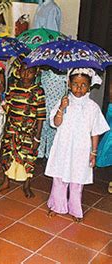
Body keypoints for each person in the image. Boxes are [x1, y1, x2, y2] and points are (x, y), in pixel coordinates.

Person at [45, 68, 109, 222]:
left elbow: (95, 131)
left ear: (90, 86)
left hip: (81, 150)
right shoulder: (64, 102)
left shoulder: (92, 107)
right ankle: (57, 205)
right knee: (60, 177)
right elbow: (55, 123)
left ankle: (75, 209)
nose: (79, 88)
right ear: (69, 84)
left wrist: (93, 152)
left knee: (77, 179)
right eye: (75, 84)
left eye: (83, 85)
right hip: (63, 147)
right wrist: (61, 107)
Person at [0, 63, 45, 198]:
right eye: (23, 71)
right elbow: (7, 109)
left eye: (30, 72)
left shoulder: (38, 92)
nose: (26, 74)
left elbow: (41, 117)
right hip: (12, 131)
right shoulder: (13, 88)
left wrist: (37, 138)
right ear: (19, 71)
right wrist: (1, 97)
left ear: (36, 73)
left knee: (28, 158)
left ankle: (27, 184)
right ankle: (6, 181)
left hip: (29, 133)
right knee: (8, 156)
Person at [38, 68, 67, 159]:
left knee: (54, 135)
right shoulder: (44, 74)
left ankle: (50, 156)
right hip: (43, 108)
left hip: (56, 111)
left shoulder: (65, 79)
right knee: (41, 132)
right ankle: (39, 154)